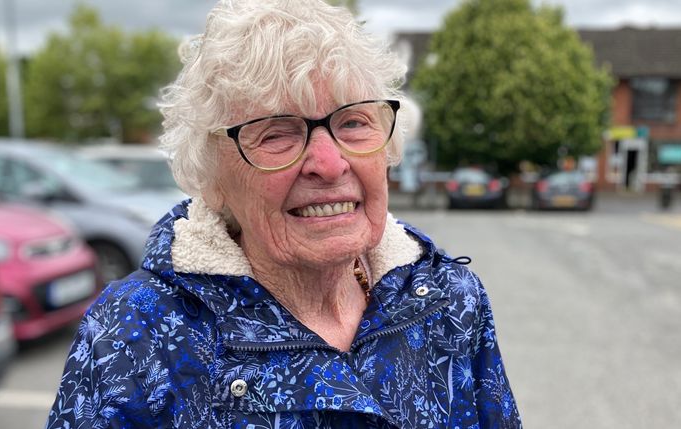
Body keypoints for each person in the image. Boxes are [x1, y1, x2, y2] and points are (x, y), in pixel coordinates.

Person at [46, 1, 522, 428]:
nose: (330, 163)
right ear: (212, 176)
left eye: (353, 122)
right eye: (276, 133)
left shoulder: (449, 301)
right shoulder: (134, 335)